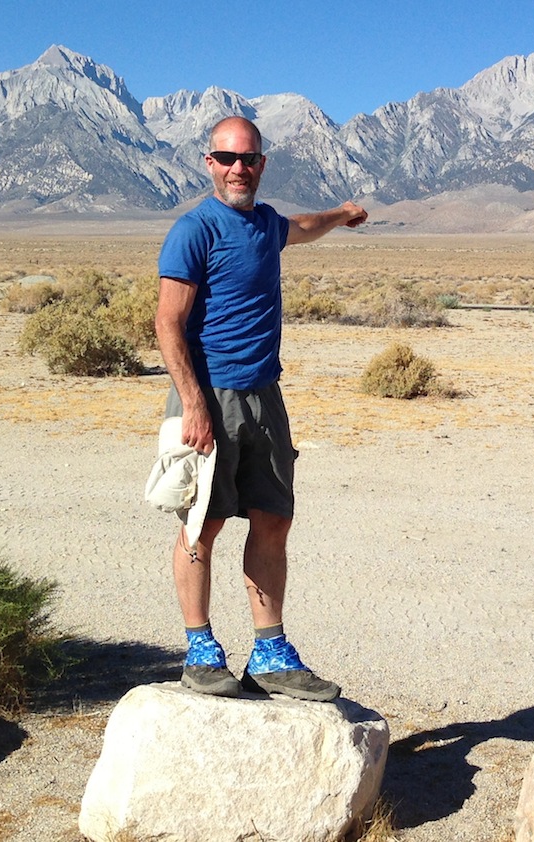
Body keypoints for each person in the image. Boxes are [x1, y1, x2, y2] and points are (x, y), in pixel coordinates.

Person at [155, 116, 368, 702]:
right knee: (203, 522)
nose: (238, 168)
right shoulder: (193, 230)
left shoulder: (267, 224)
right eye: (227, 158)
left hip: (264, 396)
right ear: (209, 163)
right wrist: (194, 403)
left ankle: (269, 652)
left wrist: (342, 215)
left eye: (248, 158)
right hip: (210, 397)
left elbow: (303, 226)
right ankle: (199, 648)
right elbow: (168, 323)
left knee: (273, 519)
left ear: (262, 164)